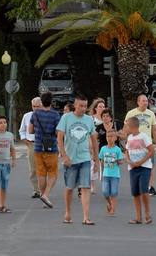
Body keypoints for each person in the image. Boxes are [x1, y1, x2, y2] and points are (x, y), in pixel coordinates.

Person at [56, 93, 99, 225]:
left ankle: (86, 216)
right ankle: (68, 212)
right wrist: (64, 155)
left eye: (85, 106)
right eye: (80, 106)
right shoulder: (66, 118)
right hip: (70, 159)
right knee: (70, 188)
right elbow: (59, 138)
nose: (83, 108)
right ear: (75, 105)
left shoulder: (89, 120)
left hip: (85, 158)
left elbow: (94, 139)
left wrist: (96, 160)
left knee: (85, 187)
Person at [124, 93, 156, 195]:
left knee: (151, 165)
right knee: (136, 165)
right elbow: (125, 129)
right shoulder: (131, 113)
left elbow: (154, 130)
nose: (145, 103)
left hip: (147, 144)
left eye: (146, 101)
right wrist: (126, 140)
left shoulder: (151, 114)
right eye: (143, 101)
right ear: (138, 102)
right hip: (135, 144)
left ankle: (150, 187)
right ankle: (138, 185)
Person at [28, 91, 59, 208]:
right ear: (51, 102)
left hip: (38, 147)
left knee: (41, 173)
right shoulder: (55, 115)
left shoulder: (35, 114)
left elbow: (30, 130)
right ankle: (46, 195)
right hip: (51, 147)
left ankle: (42, 194)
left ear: (41, 102)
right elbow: (57, 131)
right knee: (53, 173)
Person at [125, 115, 154, 225]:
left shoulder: (144, 136)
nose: (126, 128)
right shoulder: (129, 138)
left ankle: (147, 214)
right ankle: (138, 217)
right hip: (133, 168)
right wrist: (129, 161)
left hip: (144, 167)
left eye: (127, 125)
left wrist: (141, 162)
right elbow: (127, 151)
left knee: (143, 190)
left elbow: (151, 151)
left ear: (132, 126)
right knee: (135, 192)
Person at [19, 97, 42, 198]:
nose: (35, 108)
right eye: (34, 106)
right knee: (33, 168)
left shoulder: (46, 115)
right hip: (31, 143)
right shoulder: (27, 116)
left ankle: (43, 189)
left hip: (43, 143)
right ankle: (36, 190)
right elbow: (22, 130)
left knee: (43, 168)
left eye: (38, 106)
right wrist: (24, 139)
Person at [99, 128, 123, 216]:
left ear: (115, 138)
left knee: (114, 192)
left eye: (112, 136)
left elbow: (121, 161)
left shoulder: (117, 150)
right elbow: (101, 161)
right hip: (106, 174)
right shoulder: (103, 149)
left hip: (115, 175)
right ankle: (109, 203)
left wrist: (117, 161)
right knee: (105, 192)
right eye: (108, 136)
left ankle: (113, 208)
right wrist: (101, 172)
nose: (109, 138)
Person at [89, 99, 106, 192]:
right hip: (93, 143)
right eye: (100, 106)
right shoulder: (91, 118)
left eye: (103, 106)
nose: (102, 108)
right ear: (95, 108)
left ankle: (105, 183)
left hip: (103, 143)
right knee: (93, 164)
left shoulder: (106, 118)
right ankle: (92, 186)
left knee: (104, 163)